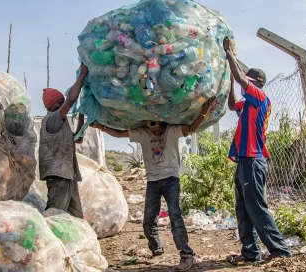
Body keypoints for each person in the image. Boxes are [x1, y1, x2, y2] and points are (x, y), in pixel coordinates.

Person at [91, 98, 215, 271]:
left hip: (171, 179)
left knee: (175, 214)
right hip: (153, 181)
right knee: (149, 219)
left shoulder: (172, 130)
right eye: (150, 124)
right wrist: (101, 127)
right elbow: (119, 134)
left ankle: (186, 254)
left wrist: (203, 112)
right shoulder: (142, 133)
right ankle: (156, 249)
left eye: (156, 124)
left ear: (163, 122)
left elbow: (192, 128)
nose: (153, 127)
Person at [223, 37, 291, 264]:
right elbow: (232, 105)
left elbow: (241, 78)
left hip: (254, 159)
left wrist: (229, 54)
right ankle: (250, 252)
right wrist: (230, 84)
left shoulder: (260, 98)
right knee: (242, 208)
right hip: (244, 160)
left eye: (250, 82)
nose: (246, 85)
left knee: (256, 206)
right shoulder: (248, 103)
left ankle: (280, 250)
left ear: (258, 84)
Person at [38, 64, 88, 218]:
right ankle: (46, 241)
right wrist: (83, 75)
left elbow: (77, 139)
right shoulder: (52, 119)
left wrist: (82, 113)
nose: (63, 105)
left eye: (62, 102)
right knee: (54, 215)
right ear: (51, 106)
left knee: (76, 216)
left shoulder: (62, 123)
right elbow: (72, 99)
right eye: (60, 103)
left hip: (68, 174)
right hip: (58, 175)